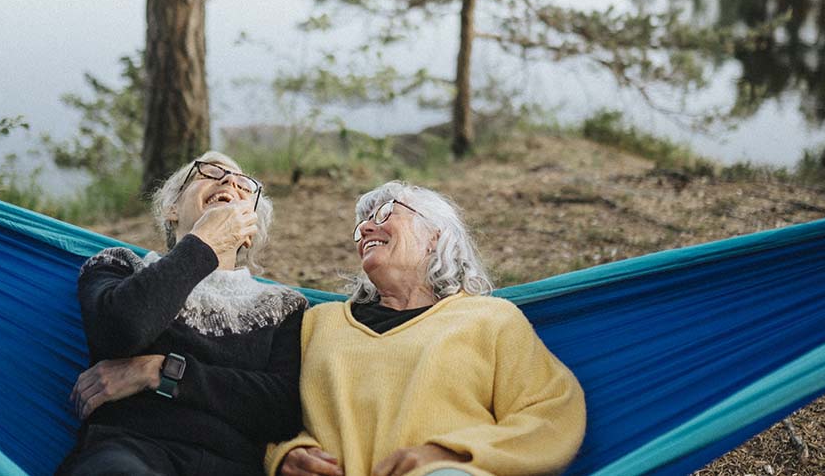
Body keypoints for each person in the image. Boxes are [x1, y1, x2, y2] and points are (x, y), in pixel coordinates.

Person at [271, 181, 585, 476]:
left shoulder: (490, 319)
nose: (366, 228)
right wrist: (284, 454)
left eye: (384, 214)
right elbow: (261, 409)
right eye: (361, 226)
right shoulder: (318, 322)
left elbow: (553, 413)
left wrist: (449, 455)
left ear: (434, 234)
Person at [58, 151, 307, 476]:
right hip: (131, 452)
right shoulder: (120, 267)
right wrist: (205, 242)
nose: (230, 180)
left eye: (245, 186)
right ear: (171, 209)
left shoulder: (282, 306)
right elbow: (121, 330)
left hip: (235, 465)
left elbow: (283, 409)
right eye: (209, 173)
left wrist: (161, 371)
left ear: (249, 230)